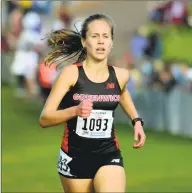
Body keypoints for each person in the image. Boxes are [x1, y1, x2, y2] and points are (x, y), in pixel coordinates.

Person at [39, 14, 146, 193]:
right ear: (84, 41)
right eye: (95, 37)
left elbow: (122, 93)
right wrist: (75, 110)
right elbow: (45, 118)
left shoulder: (121, 75)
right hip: (74, 157)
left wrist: (136, 121)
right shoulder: (70, 74)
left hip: (108, 153)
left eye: (105, 37)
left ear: (111, 42)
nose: (101, 42)